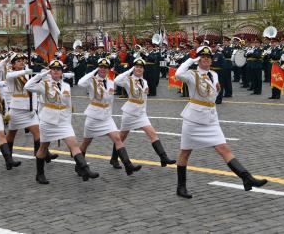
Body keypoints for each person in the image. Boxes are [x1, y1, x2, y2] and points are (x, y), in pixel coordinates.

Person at [174, 45, 268, 199]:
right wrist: (190, 60)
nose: (206, 59)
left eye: (208, 57)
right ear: (198, 59)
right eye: (202, 57)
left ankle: (247, 178)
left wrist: (216, 90)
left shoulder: (214, 74)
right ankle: (181, 187)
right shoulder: (191, 74)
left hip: (211, 118)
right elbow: (178, 74)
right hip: (194, 120)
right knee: (185, 152)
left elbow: (212, 94)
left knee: (224, 148)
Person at [25, 59, 99, 184]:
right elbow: (28, 86)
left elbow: (68, 104)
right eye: (53, 69)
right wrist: (41, 75)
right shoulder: (44, 84)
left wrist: (69, 119)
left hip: (63, 121)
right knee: (43, 147)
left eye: (58, 70)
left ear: (61, 72)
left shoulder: (66, 86)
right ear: (50, 71)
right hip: (48, 121)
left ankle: (85, 169)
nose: (55, 71)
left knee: (74, 145)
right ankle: (40, 174)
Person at [77, 58, 141, 175]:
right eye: (100, 67)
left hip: (106, 117)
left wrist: (131, 69)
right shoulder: (91, 80)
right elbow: (80, 83)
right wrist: (94, 71)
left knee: (117, 138)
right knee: (86, 142)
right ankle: (80, 165)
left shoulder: (111, 82)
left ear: (108, 69)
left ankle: (128, 165)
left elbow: (111, 98)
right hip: (93, 117)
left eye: (105, 68)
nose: (102, 69)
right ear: (97, 68)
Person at [112, 57, 176, 168]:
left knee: (153, 134)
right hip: (129, 114)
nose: (138, 69)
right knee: (121, 137)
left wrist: (144, 112)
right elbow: (116, 80)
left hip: (141, 114)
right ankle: (114, 159)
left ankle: (163, 157)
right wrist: (129, 70)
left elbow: (144, 99)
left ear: (143, 69)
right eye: (136, 67)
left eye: (141, 67)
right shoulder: (128, 79)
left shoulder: (144, 82)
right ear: (133, 68)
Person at [5, 53, 58, 162]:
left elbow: (33, 89)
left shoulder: (27, 73)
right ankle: (8, 158)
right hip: (16, 109)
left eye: (22, 60)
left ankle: (42, 153)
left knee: (38, 132)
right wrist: (26, 71)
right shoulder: (11, 73)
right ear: (13, 64)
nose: (21, 62)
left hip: (29, 109)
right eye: (18, 61)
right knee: (11, 134)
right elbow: (9, 76)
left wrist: (34, 108)